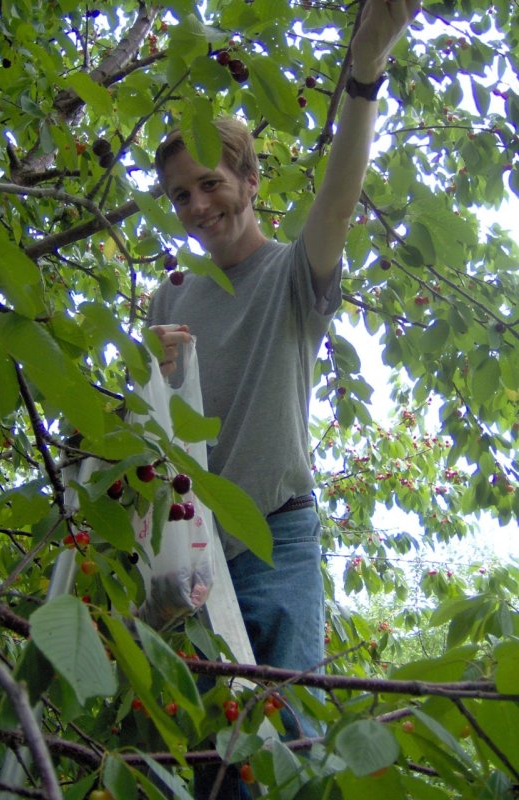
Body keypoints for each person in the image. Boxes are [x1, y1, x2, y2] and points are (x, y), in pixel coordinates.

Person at [147, 0, 420, 793]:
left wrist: (363, 68)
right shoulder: (168, 297)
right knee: (202, 756)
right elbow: (155, 441)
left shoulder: (295, 277)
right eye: (181, 197)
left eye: (211, 183)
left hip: (275, 541)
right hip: (191, 557)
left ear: (251, 179)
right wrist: (158, 381)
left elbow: (339, 193)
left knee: (282, 749)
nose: (199, 208)